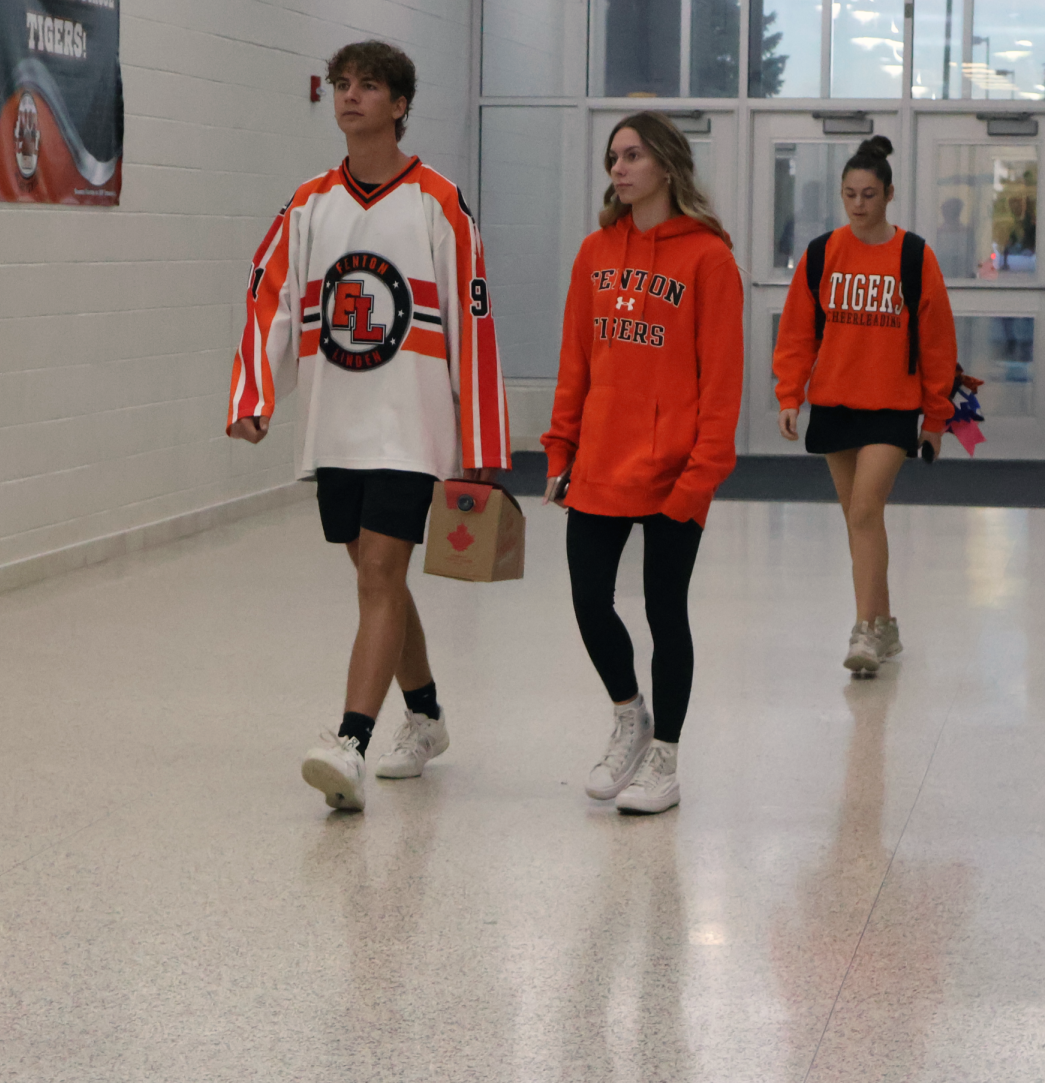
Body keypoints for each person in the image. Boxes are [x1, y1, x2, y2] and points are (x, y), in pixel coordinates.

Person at [227, 41, 510, 812]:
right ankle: (424, 716)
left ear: (400, 105)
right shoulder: (308, 203)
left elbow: (472, 322)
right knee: (373, 575)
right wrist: (254, 395)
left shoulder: (439, 203)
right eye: (342, 86)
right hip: (334, 426)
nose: (350, 97)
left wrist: (481, 444)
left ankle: (348, 740)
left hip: (411, 430)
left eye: (369, 86)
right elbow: (269, 297)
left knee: (382, 572)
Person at [541, 111, 743, 815]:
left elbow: (721, 382)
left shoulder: (707, 259)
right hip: (599, 460)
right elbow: (576, 362)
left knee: (665, 610)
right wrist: (560, 447)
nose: (617, 169)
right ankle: (630, 716)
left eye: (630, 156)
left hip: (674, 470)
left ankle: (665, 760)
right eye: (611, 158)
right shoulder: (595, 252)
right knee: (588, 600)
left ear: (665, 164)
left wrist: (701, 474)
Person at [773, 136, 957, 674]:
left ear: (889, 194)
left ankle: (865, 632)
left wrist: (936, 418)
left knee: (864, 511)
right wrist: (790, 393)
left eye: (869, 194)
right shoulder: (821, 253)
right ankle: (886, 622)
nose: (858, 204)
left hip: (892, 406)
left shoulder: (914, 256)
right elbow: (797, 334)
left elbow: (938, 342)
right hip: (834, 402)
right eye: (850, 193)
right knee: (859, 523)